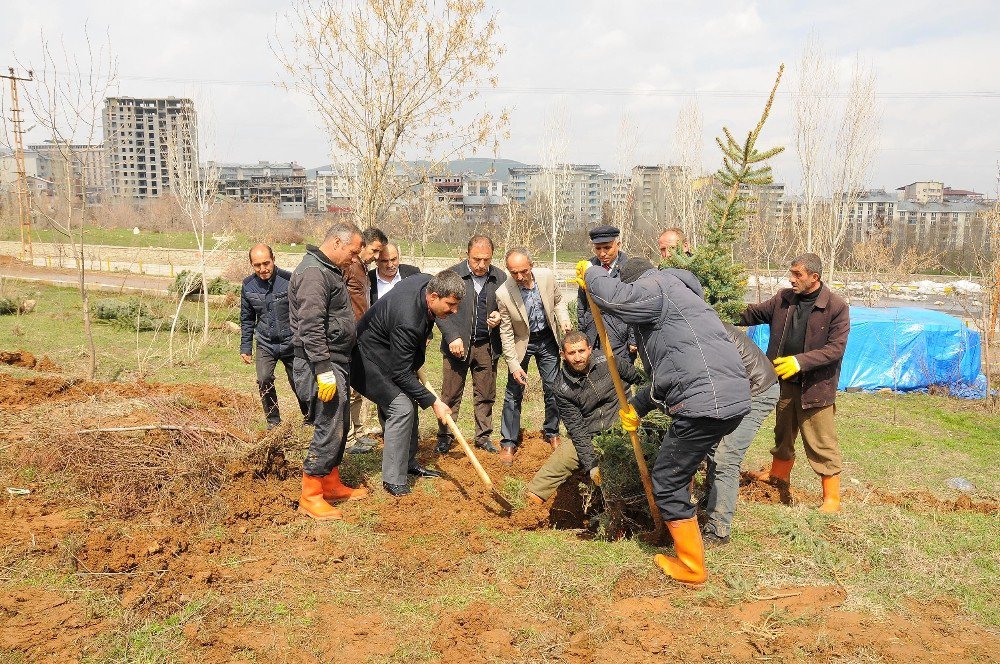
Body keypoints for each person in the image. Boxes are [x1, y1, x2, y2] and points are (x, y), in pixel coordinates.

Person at [582, 256, 750, 585]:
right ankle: (688, 538)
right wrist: (637, 407)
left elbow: (615, 299)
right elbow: (673, 372)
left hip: (705, 403)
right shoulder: (681, 297)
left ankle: (691, 567)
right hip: (731, 398)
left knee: (668, 480)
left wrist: (591, 274)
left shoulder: (654, 286)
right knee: (680, 468)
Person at [739, 252, 850, 513]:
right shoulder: (784, 300)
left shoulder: (835, 307)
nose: (792, 279)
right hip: (785, 382)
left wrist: (800, 362)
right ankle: (778, 479)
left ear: (814, 277)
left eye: (797, 274)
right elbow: (753, 314)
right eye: (791, 273)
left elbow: (836, 349)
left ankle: (832, 498)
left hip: (816, 387)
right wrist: (719, 308)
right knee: (783, 432)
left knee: (821, 441)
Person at [351, 270, 465, 497]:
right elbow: (401, 373)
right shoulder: (408, 321)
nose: (455, 311)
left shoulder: (425, 280)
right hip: (365, 358)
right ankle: (393, 479)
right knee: (401, 407)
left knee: (410, 400)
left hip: (389, 349)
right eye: (450, 305)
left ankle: (407, 461)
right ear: (432, 297)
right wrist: (434, 402)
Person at [288, 222, 370, 521]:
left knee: (339, 423)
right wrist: (323, 369)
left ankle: (330, 483)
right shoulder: (314, 273)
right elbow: (310, 325)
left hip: (336, 359)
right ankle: (310, 495)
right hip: (319, 363)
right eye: (352, 251)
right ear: (336, 242)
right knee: (328, 423)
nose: (354, 258)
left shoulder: (329, 269)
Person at [524, 330, 642, 504]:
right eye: (571, 353)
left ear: (590, 349)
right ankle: (526, 508)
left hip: (624, 426)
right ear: (563, 355)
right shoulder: (561, 387)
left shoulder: (609, 360)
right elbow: (577, 429)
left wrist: (641, 408)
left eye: (581, 351)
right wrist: (592, 465)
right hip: (590, 435)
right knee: (557, 465)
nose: (578, 357)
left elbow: (639, 379)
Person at [700, 323, 780, 545]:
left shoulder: (710, 334)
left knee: (727, 456)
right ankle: (711, 501)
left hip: (758, 391)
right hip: (731, 391)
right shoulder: (691, 329)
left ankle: (718, 529)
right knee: (713, 446)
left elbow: (715, 381)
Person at [496, 248, 572, 464]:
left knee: (553, 387)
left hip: (547, 339)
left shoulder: (546, 276)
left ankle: (552, 432)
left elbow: (557, 301)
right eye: (514, 273)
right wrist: (513, 364)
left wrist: (563, 319)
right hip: (522, 343)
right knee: (514, 391)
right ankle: (508, 442)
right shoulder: (503, 293)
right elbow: (507, 332)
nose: (519, 277)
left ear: (532, 265)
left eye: (523, 271)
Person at [435, 236, 507, 455]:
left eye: (486, 260)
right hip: (457, 347)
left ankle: (483, 437)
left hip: (487, 346)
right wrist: (451, 336)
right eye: (476, 259)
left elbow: (508, 307)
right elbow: (437, 309)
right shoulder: (452, 275)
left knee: (486, 394)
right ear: (467, 255)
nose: (481, 265)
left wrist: (499, 316)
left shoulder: (500, 277)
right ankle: (446, 436)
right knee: (450, 394)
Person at [240, 244, 310, 429]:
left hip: (292, 342)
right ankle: (273, 422)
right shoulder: (248, 286)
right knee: (264, 379)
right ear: (251, 265)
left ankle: (309, 418)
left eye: (266, 263)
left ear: (273, 259)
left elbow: (302, 311)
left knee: (300, 381)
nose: (263, 269)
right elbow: (247, 318)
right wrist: (246, 347)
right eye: (257, 265)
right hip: (265, 343)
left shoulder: (289, 280)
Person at [342, 227, 387, 454]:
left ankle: (359, 433)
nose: (377, 257)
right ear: (363, 246)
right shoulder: (348, 266)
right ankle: (348, 438)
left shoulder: (363, 269)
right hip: (347, 335)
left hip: (361, 335)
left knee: (357, 388)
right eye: (374, 250)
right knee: (348, 390)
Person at [576, 225, 634, 361]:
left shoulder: (628, 268)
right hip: (592, 333)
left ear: (618, 244)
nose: (602, 253)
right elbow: (582, 303)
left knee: (619, 377)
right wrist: (581, 332)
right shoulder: (587, 267)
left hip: (618, 336)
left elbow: (634, 305)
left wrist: (633, 338)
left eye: (607, 248)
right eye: (598, 248)